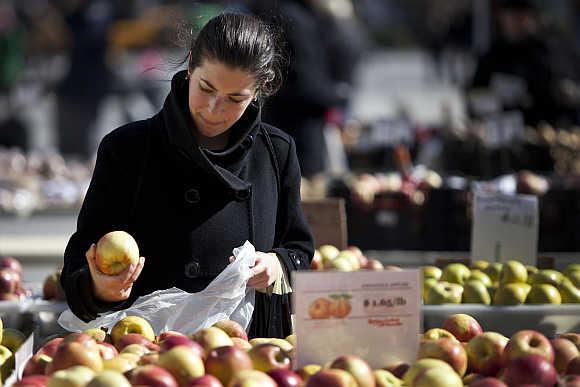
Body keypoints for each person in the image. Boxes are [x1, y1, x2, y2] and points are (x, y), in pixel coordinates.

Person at [60, 13, 314, 339]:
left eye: (235, 99)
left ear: (259, 90)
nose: (214, 109)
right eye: (206, 88)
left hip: (247, 354)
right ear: (191, 65)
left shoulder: (277, 152)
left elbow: (298, 250)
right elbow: (78, 264)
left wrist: (275, 265)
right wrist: (102, 287)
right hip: (144, 353)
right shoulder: (127, 149)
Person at [470, 0, 580, 127]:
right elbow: (476, 94)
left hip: (541, 131)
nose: (517, 21)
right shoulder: (492, 55)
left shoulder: (547, 52)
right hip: (500, 129)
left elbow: (559, 96)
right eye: (512, 15)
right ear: (501, 17)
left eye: (522, 16)